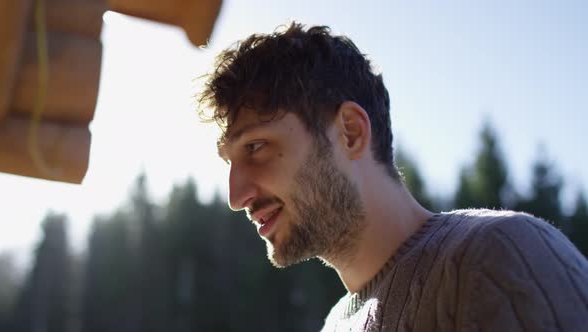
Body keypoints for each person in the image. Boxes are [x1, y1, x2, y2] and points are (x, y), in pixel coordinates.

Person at [197, 22, 588, 331]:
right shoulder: (335, 325)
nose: (237, 196)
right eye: (229, 162)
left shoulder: (501, 255)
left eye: (255, 148)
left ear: (349, 131)